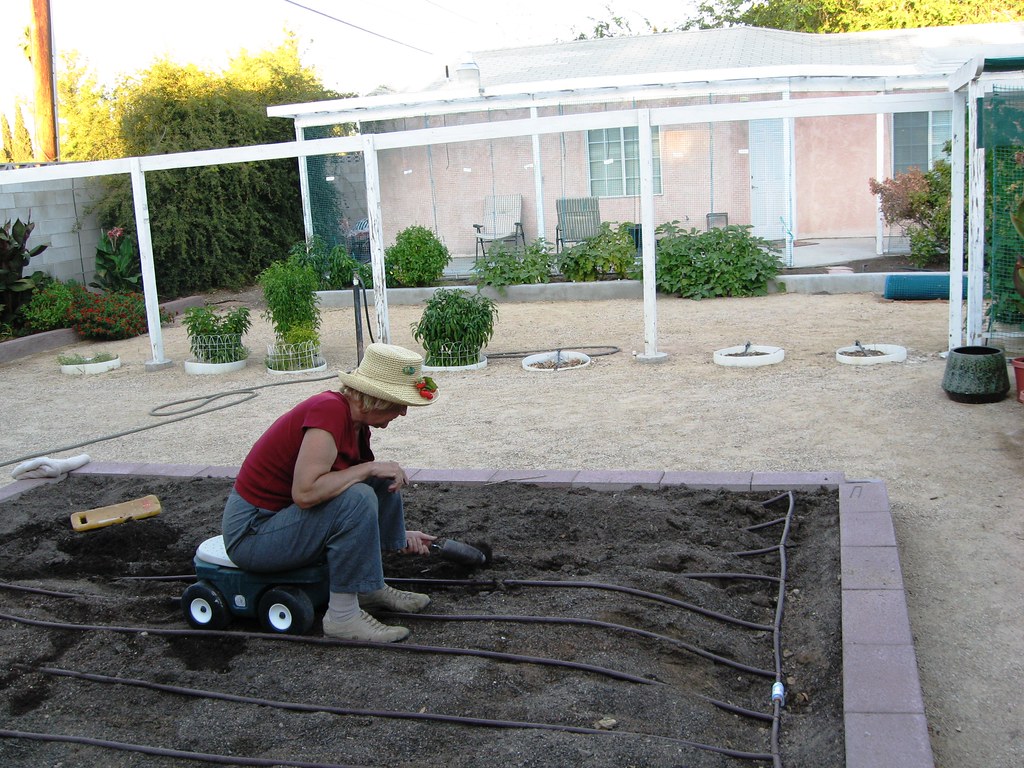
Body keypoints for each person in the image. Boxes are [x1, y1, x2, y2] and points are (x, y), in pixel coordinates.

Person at [222, 342, 439, 643]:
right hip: (253, 534)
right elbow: (306, 493)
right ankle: (342, 617)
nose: (403, 412)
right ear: (374, 399)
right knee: (360, 492)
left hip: (281, 522)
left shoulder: (356, 423)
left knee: (378, 481)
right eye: (398, 403)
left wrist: (400, 534)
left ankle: (369, 587)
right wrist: (368, 468)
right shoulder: (329, 412)